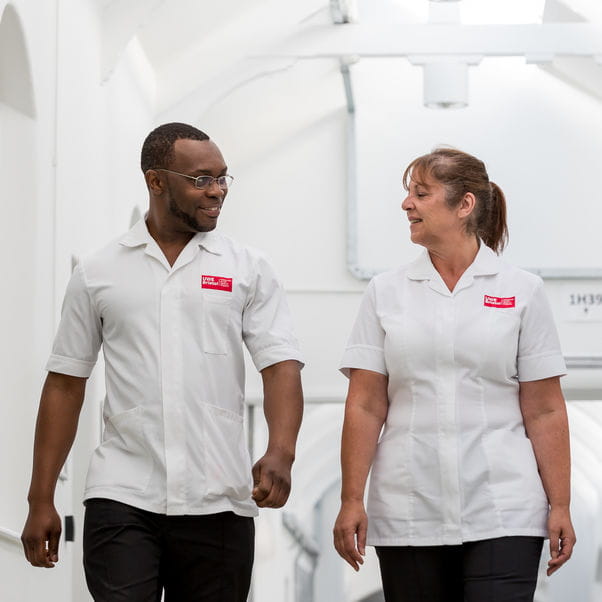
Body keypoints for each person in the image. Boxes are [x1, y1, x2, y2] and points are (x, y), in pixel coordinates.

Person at [21, 122, 304, 601]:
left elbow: (280, 366)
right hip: (123, 494)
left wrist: (282, 450)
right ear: (156, 181)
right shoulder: (98, 271)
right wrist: (40, 497)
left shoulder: (247, 268)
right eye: (200, 179)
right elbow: (66, 383)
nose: (216, 191)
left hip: (220, 501)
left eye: (222, 178)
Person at [333, 147, 575, 601]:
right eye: (408, 194)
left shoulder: (521, 291)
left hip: (504, 507)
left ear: (464, 205)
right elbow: (365, 404)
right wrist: (351, 499)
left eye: (421, 194)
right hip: (409, 508)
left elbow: (544, 409)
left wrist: (560, 503)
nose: (407, 204)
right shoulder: (385, 292)